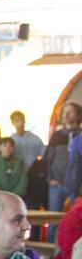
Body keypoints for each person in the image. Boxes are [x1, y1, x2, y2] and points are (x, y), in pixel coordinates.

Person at [46, 102, 80, 239]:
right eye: (64, 111)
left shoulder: (81, 136)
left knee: (76, 221)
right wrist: (50, 179)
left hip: (77, 187)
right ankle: (51, 253)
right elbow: (48, 159)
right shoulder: (57, 135)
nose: (66, 114)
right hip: (57, 185)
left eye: (70, 111)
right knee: (53, 220)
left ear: (78, 114)